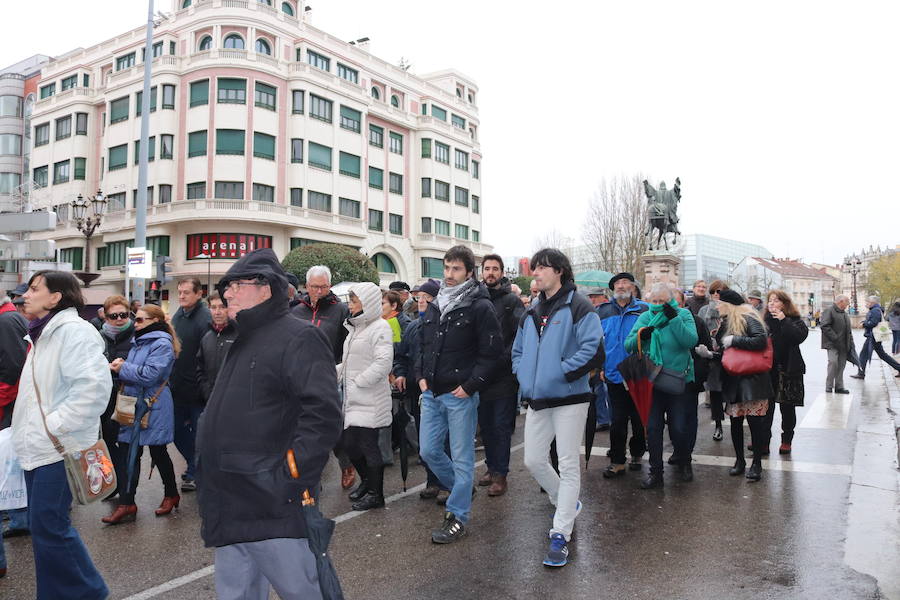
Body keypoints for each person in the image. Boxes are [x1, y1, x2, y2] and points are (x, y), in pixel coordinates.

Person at [197, 249, 342, 599]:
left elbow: (323, 417)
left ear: (267, 288)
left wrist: (288, 475)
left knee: (303, 592)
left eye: (235, 285)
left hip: (273, 503)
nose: (226, 293)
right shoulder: (241, 338)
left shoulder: (298, 337)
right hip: (230, 501)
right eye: (224, 287)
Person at [11, 270, 110, 599]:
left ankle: (90, 591)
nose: (26, 294)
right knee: (44, 529)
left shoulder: (74, 332)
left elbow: (93, 391)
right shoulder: (41, 333)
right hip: (38, 449)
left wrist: (53, 425)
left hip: (59, 448)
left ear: (55, 297)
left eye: (35, 289)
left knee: (50, 526)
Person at [514, 248, 603, 567]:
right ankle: (565, 503)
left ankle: (560, 534)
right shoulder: (533, 310)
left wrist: (559, 373)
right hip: (538, 398)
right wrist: (524, 374)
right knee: (533, 460)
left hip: (570, 398)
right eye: (534, 267)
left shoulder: (578, 305)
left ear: (559, 271)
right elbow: (518, 350)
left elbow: (594, 352)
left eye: (541, 268)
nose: (535, 272)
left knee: (567, 463)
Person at [415, 245, 501, 544]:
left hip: (460, 395)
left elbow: (492, 354)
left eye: (455, 269)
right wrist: (421, 377)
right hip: (431, 393)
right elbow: (423, 343)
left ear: (469, 272)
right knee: (428, 451)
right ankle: (463, 489)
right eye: (446, 268)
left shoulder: (480, 306)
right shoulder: (436, 302)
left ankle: (457, 515)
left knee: (463, 459)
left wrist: (470, 386)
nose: (449, 275)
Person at [103, 304, 179, 524]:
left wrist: (122, 368)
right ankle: (127, 503)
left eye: (140, 320)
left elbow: (150, 375)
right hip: (133, 404)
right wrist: (123, 367)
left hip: (153, 404)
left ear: (155, 321)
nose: (135, 323)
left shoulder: (162, 343)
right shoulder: (141, 340)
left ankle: (171, 494)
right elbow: (139, 371)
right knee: (129, 453)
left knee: (158, 452)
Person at [625, 283, 698, 488]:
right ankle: (656, 472)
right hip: (652, 381)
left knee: (678, 427)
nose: (657, 305)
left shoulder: (682, 314)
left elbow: (690, 341)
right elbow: (628, 345)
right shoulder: (645, 317)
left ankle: (684, 461)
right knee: (654, 428)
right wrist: (642, 336)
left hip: (677, 380)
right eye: (654, 301)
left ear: (671, 300)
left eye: (662, 301)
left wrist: (673, 319)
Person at [292, 265, 355, 489]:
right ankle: (311, 476)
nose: (319, 291)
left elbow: (349, 344)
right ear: (306, 286)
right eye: (314, 286)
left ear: (329, 287)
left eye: (324, 286)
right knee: (304, 429)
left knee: (331, 427)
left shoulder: (340, 310)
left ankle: (346, 463)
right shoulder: (295, 310)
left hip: (329, 377)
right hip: (299, 378)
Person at [341, 283, 394, 511]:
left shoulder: (380, 327)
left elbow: (383, 363)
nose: (350, 306)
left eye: (354, 301)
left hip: (371, 398)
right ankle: (367, 483)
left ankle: (376, 494)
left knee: (368, 446)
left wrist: (358, 382)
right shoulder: (356, 328)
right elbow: (350, 362)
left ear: (367, 303)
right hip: (354, 398)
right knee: (349, 446)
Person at [477, 254, 524, 497]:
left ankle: (501, 474)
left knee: (500, 426)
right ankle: (490, 466)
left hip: (504, 376)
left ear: (502, 272)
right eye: (487, 269)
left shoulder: (511, 301)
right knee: (485, 427)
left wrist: (500, 361)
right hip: (480, 377)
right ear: (481, 271)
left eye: (495, 269)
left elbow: (518, 336)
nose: (491, 273)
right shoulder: (476, 298)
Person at [714, 290, 773, 481]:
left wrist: (735, 340)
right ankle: (739, 461)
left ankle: (756, 463)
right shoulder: (726, 321)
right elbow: (724, 349)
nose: (716, 306)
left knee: (755, 424)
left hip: (753, 380)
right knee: (735, 423)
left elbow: (760, 340)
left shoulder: (748, 317)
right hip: (734, 379)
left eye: (719, 302)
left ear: (728, 304)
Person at [596, 272, 649, 478]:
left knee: (637, 419)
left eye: (625, 282)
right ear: (612, 289)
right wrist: (600, 368)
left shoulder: (644, 309)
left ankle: (637, 453)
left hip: (638, 373)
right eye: (617, 283)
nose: (620, 286)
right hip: (613, 373)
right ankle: (617, 460)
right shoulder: (603, 311)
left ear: (632, 287)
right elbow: (598, 343)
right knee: (617, 420)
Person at [407, 279, 448, 502]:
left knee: (442, 441)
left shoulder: (442, 324)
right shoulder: (414, 326)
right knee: (426, 443)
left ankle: (446, 483)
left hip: (440, 390)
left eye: (426, 297)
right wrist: (404, 373)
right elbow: (407, 355)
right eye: (418, 297)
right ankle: (432, 480)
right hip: (419, 390)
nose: (421, 301)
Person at [170, 277, 211, 492]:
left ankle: (196, 471)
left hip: (198, 391)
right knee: (176, 432)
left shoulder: (205, 318)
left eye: (187, 292)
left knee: (198, 434)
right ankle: (195, 464)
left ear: (198, 294)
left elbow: (208, 355)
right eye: (180, 292)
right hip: (178, 389)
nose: (182, 296)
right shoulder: (178, 315)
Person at [0, 291, 27, 574]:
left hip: (6, 409)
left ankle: (20, 519)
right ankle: (20, 519)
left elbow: (12, 371)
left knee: (8, 468)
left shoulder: (6, 321)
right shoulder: (9, 318)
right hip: (9, 407)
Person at [99, 295, 135, 501]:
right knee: (108, 443)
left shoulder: (136, 334)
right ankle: (114, 484)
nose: (120, 319)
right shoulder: (99, 336)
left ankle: (126, 492)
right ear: (106, 316)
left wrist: (123, 368)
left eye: (124, 314)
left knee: (127, 447)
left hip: (127, 397)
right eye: (114, 315)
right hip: (105, 399)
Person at [673, 287, 712, 478]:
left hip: (688, 377)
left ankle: (685, 457)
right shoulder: (657, 320)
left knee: (687, 419)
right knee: (672, 420)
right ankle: (678, 451)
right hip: (665, 378)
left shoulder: (696, 321)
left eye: (674, 301)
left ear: (682, 303)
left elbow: (706, 349)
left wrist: (699, 374)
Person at [763, 290, 808, 455]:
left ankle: (786, 440)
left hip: (789, 370)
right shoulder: (764, 321)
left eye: (776, 300)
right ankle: (763, 441)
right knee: (765, 408)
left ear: (784, 303)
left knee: (787, 409)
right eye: (770, 300)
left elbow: (798, 337)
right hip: (768, 370)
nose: (772, 303)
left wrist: (783, 320)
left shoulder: (795, 321)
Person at [380, 289, 410, 465]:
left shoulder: (398, 321)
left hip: (393, 375)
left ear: (393, 305)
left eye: (383, 303)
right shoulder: (382, 321)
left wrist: (396, 373)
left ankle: (420, 447)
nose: (380, 306)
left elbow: (398, 350)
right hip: (385, 375)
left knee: (402, 414)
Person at [700, 280, 729, 440]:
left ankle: (737, 419)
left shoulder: (732, 310)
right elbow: (699, 330)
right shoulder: (705, 310)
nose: (717, 295)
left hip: (730, 355)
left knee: (732, 391)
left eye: (720, 292)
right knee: (715, 392)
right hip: (712, 357)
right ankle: (718, 425)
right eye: (713, 292)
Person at [197, 292, 238, 406]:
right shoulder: (207, 337)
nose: (217, 312)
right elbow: (201, 369)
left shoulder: (241, 335)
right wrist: (206, 392)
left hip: (234, 403)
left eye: (222, 307)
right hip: (210, 402)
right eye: (213, 307)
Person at [852, 296, 900, 379]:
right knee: (882, 355)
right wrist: (865, 322)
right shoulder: (876, 310)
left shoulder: (875, 310)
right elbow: (873, 321)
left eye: (867, 302)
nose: (866, 303)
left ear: (872, 303)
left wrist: (864, 324)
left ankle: (861, 373)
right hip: (874, 336)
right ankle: (898, 367)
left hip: (873, 336)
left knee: (863, 355)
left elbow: (874, 323)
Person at [821, 295, 853, 394]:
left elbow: (848, 331)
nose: (847, 306)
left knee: (841, 365)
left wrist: (850, 342)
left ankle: (839, 386)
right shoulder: (829, 311)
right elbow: (825, 326)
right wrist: (835, 338)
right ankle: (829, 386)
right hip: (832, 343)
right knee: (833, 362)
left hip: (844, 344)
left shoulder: (844, 313)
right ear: (841, 301)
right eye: (846, 304)